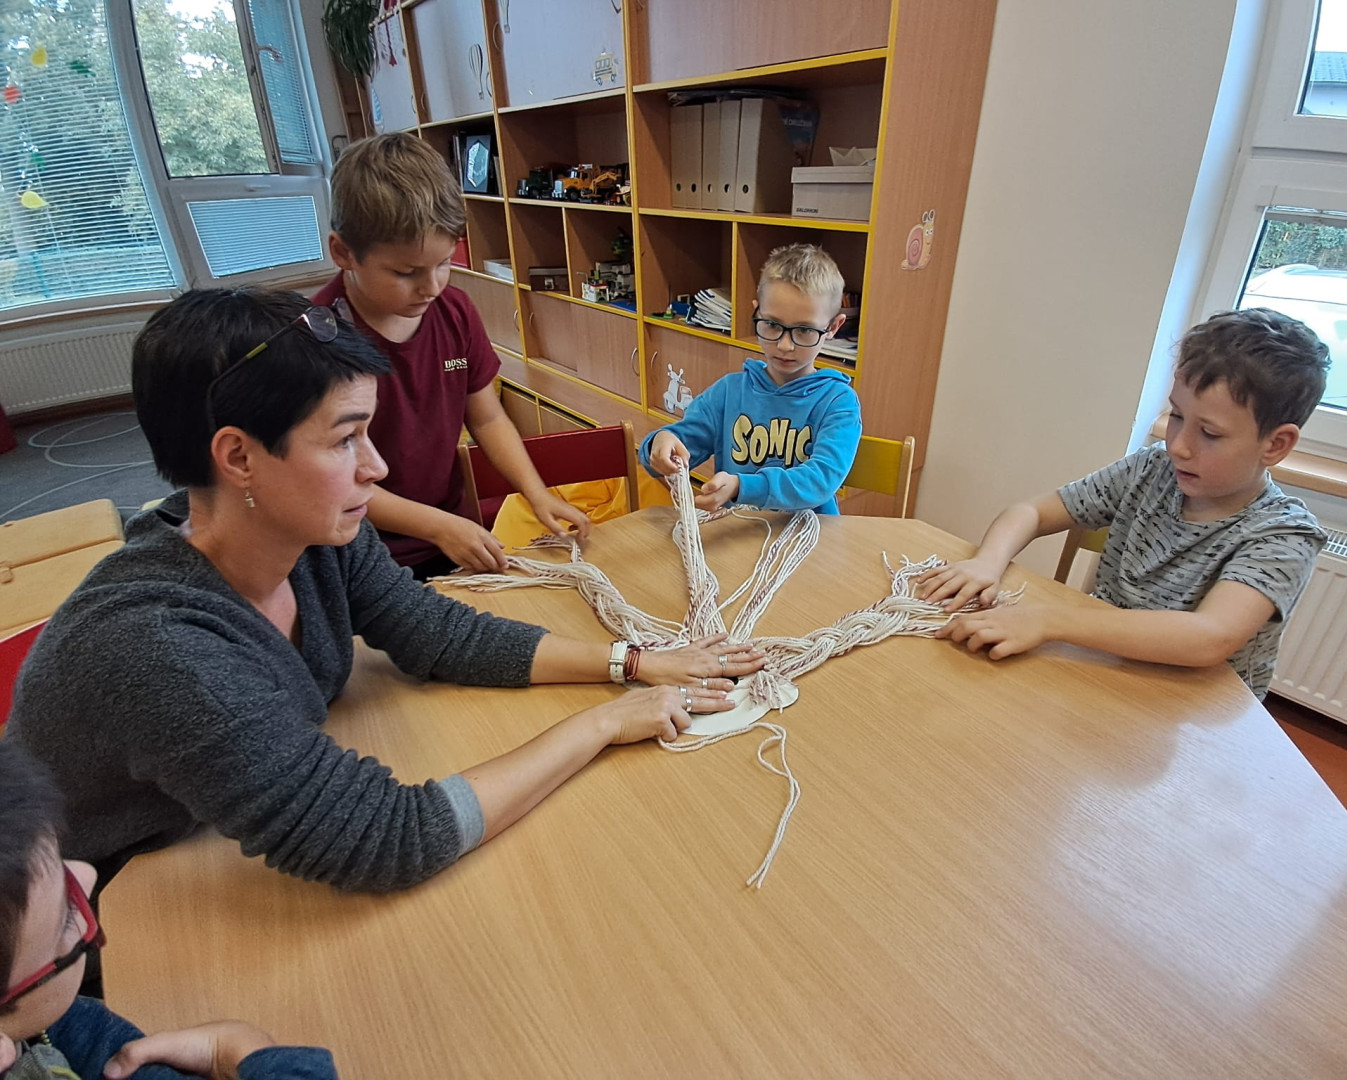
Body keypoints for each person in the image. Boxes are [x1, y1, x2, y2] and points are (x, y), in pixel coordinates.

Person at [9, 288, 764, 895]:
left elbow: (436, 633)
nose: (376, 468)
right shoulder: (163, 651)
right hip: (84, 919)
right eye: (345, 440)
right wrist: (602, 723)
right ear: (238, 458)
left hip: (198, 835)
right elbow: (392, 839)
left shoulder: (311, 535)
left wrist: (631, 661)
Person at [918, 307, 1331, 699]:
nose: (1178, 446)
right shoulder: (1151, 469)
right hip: (1103, 674)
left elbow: (1209, 637)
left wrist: (1048, 618)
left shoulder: (1284, 535)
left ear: (1276, 444)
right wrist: (987, 562)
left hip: (1195, 712)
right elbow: (1032, 512)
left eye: (1210, 433)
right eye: (1177, 416)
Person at [313, 132, 589, 580]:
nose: (432, 287)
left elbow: (488, 418)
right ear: (343, 253)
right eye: (406, 272)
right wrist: (439, 527)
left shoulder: (454, 311)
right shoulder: (317, 340)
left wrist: (536, 492)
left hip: (449, 534)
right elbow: (333, 479)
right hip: (359, 552)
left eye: (443, 263)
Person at [0, 740, 338, 1080]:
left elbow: (97, 1045)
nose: (88, 875)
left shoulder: (42, 1020)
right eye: (68, 919)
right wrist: (250, 1052)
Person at [639, 243, 862, 513]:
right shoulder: (728, 392)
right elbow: (681, 446)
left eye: (804, 330)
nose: (785, 345)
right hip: (738, 531)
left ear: (833, 327)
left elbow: (820, 480)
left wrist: (742, 487)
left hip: (811, 534)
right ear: (756, 312)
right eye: (772, 325)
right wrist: (660, 443)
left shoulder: (838, 401)